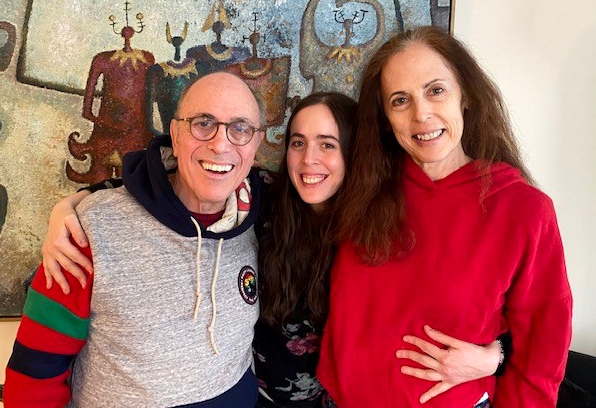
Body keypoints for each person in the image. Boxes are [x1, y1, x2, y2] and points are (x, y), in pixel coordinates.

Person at [32, 89, 508, 407]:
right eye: (298, 142)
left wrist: (494, 357)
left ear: (354, 153)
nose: (309, 160)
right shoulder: (262, 198)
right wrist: (74, 204)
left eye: (328, 144)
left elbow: (475, 301)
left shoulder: (387, 226)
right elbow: (161, 189)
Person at [316, 26, 573, 407]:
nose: (422, 114)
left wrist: (497, 358)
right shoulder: (362, 191)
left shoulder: (523, 209)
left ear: (464, 94)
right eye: (400, 100)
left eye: (436, 90)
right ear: (385, 117)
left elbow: (544, 340)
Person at [4, 72, 267, 407]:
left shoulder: (261, 216)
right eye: (203, 123)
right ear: (175, 133)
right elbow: (33, 373)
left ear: (257, 143)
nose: (220, 144)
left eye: (241, 128)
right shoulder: (88, 231)